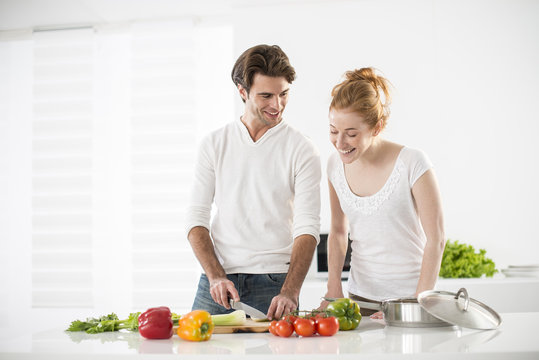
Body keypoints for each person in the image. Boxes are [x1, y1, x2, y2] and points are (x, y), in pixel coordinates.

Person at [186, 44, 321, 320]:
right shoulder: (214, 144)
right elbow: (196, 220)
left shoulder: (301, 148)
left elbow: (307, 228)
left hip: (275, 283)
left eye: (284, 94)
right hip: (218, 281)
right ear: (242, 92)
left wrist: (291, 290)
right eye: (266, 95)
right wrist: (215, 277)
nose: (277, 105)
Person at [321, 68, 445, 317]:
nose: (340, 143)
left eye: (352, 134)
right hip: (359, 300)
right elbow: (337, 231)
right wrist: (333, 287)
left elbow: (437, 239)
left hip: (409, 299)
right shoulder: (334, 165)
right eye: (334, 131)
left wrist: (415, 304)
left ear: (377, 128)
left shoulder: (412, 162)